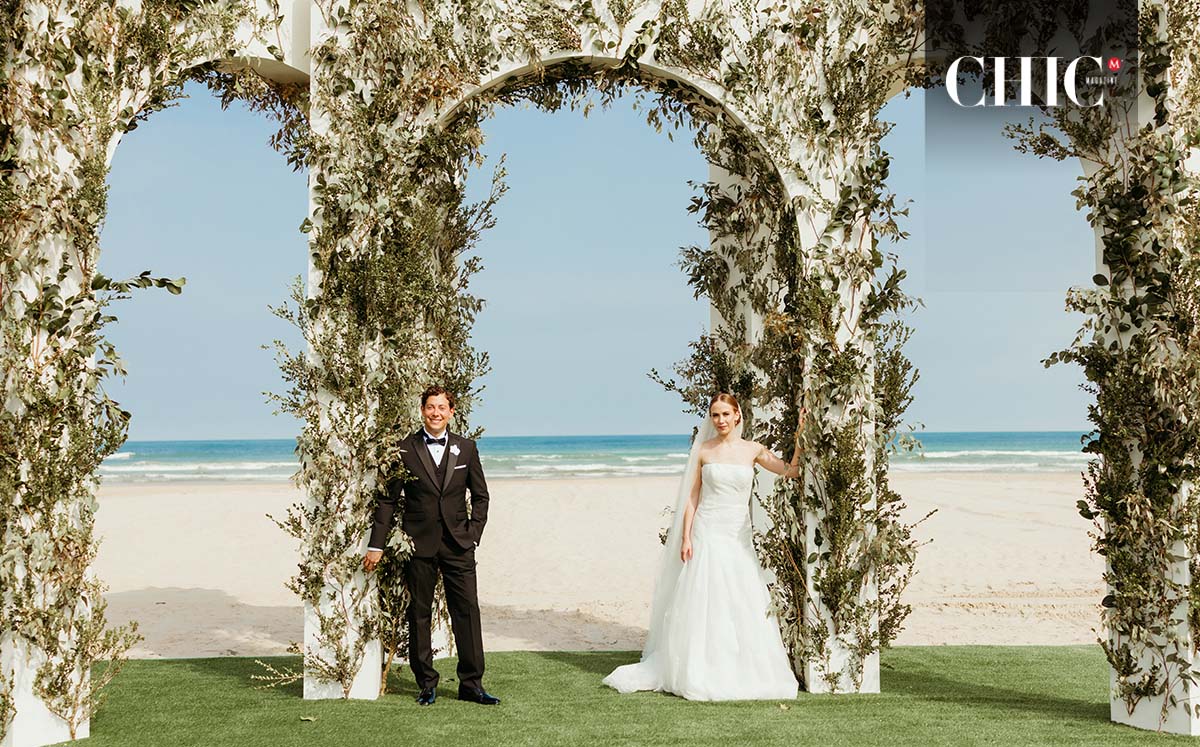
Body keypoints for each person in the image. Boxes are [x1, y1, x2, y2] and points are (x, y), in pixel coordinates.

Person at [603, 392, 802, 700]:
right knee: (705, 596)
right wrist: (685, 536)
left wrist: (800, 435)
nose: (720, 420)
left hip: (738, 533)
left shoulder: (754, 450)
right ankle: (700, 667)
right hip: (707, 530)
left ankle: (740, 667)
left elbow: (790, 470)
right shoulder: (704, 451)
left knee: (742, 594)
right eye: (715, 415)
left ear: (737, 415)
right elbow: (693, 496)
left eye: (725, 414)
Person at [363, 386, 499, 706]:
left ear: (452, 411)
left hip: (458, 545)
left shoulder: (466, 448)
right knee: (419, 614)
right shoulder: (404, 449)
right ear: (422, 410)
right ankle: (426, 682)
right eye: (430, 407)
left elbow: (481, 497)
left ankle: (471, 684)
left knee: (466, 612)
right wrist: (376, 545)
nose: (435, 413)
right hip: (418, 544)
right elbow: (387, 501)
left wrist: (473, 534)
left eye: (441, 407)